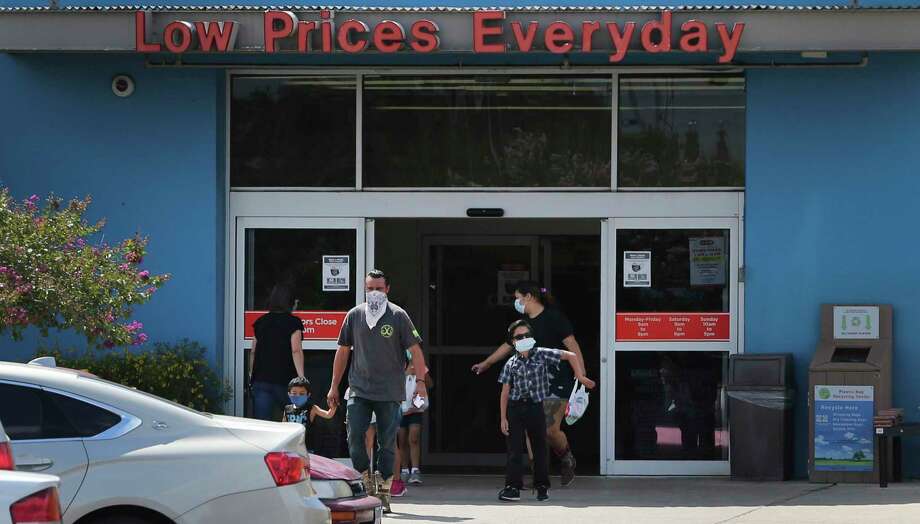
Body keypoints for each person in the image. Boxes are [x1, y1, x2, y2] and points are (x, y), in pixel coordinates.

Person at [327, 269, 429, 514]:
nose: (375, 293)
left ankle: (382, 490)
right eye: (370, 288)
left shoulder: (398, 316)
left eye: (379, 288)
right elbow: (343, 351)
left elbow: (415, 350)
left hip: (389, 392)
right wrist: (334, 385)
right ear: (365, 289)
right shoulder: (354, 315)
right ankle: (365, 482)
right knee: (355, 436)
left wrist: (421, 382)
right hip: (359, 389)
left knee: (387, 443)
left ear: (387, 290)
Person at [472, 281, 586, 486]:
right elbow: (508, 346)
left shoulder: (554, 318)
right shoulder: (523, 325)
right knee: (531, 429)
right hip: (530, 385)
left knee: (550, 429)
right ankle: (538, 475)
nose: (516, 302)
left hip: (557, 383)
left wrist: (581, 374)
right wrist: (487, 363)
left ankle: (566, 456)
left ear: (529, 297)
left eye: (518, 297)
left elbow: (572, 345)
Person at [498, 319, 595, 503]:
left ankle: (542, 486)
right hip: (515, 407)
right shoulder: (511, 363)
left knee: (540, 447)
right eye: (519, 337)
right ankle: (512, 487)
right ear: (513, 341)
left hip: (536, 406)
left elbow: (570, 355)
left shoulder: (542, 354)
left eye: (527, 335)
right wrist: (503, 417)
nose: (524, 339)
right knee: (515, 449)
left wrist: (580, 376)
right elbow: (505, 391)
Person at [249, 284, 306, 421]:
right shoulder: (293, 323)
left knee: (263, 424)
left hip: (261, 380)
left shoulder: (261, 322)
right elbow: (296, 350)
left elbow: (253, 351)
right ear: (290, 302)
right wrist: (301, 378)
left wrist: (252, 374)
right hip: (286, 381)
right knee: (294, 421)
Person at [399, 349, 434, 486]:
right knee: (401, 440)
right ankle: (403, 469)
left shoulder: (421, 367)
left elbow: (430, 384)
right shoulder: (397, 367)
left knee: (413, 438)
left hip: (415, 409)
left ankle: (415, 470)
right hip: (401, 409)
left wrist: (422, 375)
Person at [281, 377, 337, 443]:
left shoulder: (312, 408)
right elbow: (283, 426)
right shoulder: (287, 409)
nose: (298, 396)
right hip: (290, 443)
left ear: (308, 395)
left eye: (302, 394)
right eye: (294, 393)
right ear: (289, 394)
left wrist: (333, 407)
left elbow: (328, 415)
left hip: (307, 445)